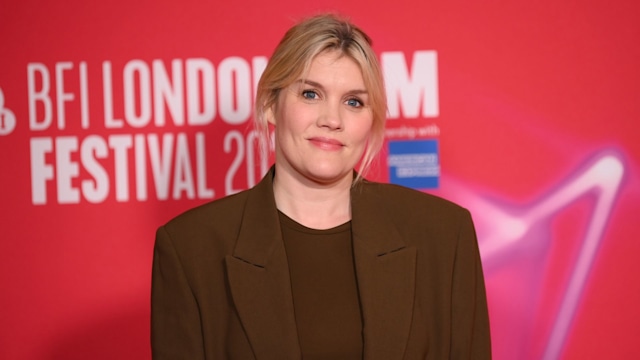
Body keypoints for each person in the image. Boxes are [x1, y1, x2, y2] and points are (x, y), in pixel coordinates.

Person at [151, 13, 491, 360]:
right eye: (311, 94)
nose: (332, 119)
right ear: (271, 103)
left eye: (353, 101)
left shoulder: (444, 234)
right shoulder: (190, 249)